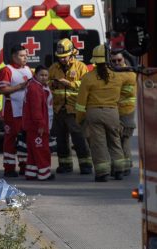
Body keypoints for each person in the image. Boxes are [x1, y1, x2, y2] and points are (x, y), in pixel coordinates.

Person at [75, 45, 128, 182]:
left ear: (95, 60)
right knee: (115, 141)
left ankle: (102, 173)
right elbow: (124, 94)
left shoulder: (88, 78)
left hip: (94, 113)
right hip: (112, 113)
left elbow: (81, 103)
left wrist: (79, 119)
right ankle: (119, 171)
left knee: (98, 144)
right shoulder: (118, 76)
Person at [49, 38, 93, 175]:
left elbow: (86, 85)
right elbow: (47, 83)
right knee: (61, 140)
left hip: (74, 110)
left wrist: (69, 84)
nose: (62, 59)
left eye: (65, 57)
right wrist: (53, 84)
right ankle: (65, 165)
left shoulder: (81, 67)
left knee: (79, 139)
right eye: (60, 57)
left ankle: (85, 165)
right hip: (59, 109)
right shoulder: (53, 68)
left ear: (72, 53)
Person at [0, 45, 32, 177]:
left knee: (25, 139)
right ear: (14, 56)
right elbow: (2, 90)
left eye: (26, 55)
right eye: (22, 55)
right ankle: (9, 167)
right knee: (10, 139)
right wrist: (20, 86)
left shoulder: (28, 69)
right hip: (12, 110)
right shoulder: (7, 70)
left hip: (25, 111)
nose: (25, 58)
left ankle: (24, 166)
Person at [22, 65, 54, 180]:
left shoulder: (36, 86)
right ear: (35, 75)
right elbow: (36, 109)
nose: (44, 77)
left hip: (32, 125)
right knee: (42, 150)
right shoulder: (35, 88)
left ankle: (31, 173)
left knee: (33, 150)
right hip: (37, 126)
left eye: (46, 75)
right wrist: (40, 124)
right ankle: (44, 173)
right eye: (41, 75)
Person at [110, 51, 137, 176]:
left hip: (126, 112)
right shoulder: (114, 74)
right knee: (116, 141)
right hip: (115, 111)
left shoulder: (129, 74)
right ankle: (121, 166)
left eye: (119, 60)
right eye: (113, 61)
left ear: (124, 60)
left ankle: (126, 166)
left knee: (124, 140)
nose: (116, 63)